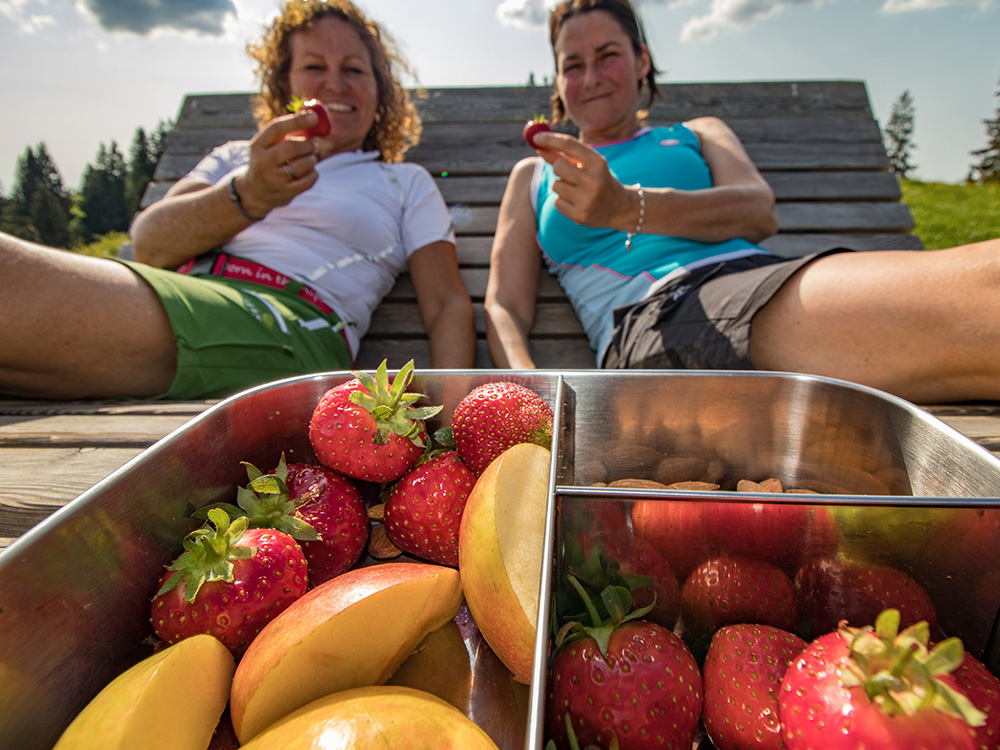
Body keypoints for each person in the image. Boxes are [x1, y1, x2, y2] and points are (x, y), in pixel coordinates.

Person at [484, 0, 1000, 404]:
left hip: (761, 282)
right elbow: (504, 304)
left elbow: (758, 211)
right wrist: (532, 395)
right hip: (656, 318)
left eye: (608, 55)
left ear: (642, 59)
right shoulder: (533, 175)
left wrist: (628, 207)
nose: (591, 77)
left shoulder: (697, 133)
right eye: (573, 64)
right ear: (557, 79)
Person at [0, 0, 474, 401]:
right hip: (179, 292)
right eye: (314, 66)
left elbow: (447, 302)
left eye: (354, 69)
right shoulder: (235, 159)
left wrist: (449, 416)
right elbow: (150, 244)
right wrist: (249, 192)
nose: (335, 83)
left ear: (379, 89)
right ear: (285, 84)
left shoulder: (403, 181)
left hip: (290, 326)